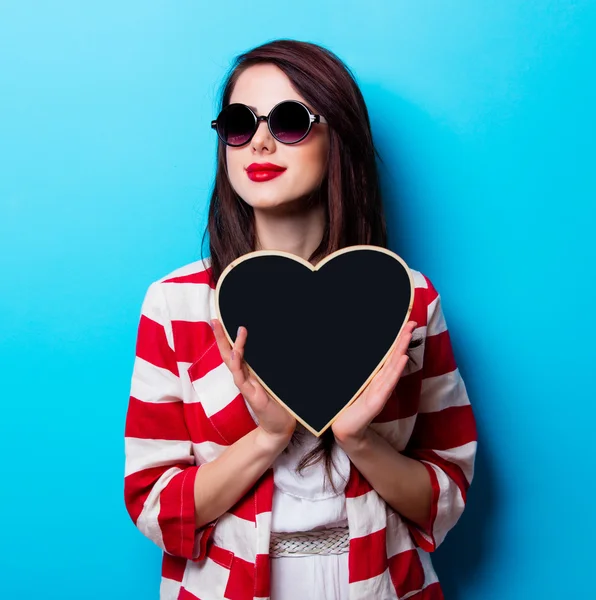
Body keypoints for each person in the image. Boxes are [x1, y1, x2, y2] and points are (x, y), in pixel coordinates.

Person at [124, 39, 477, 600]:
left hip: (379, 583)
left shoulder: (408, 299)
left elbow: (446, 495)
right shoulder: (177, 303)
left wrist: (359, 440)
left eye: (289, 121)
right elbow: (156, 509)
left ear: (339, 138)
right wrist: (268, 437)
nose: (259, 141)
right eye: (239, 124)